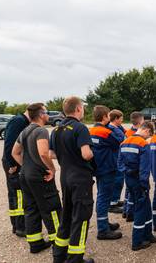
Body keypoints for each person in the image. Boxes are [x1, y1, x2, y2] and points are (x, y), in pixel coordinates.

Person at [11, 103, 61, 253]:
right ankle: (60, 245)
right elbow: (44, 153)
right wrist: (52, 169)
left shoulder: (25, 131)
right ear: (41, 115)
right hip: (40, 177)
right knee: (51, 209)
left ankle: (35, 243)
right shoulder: (41, 131)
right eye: (46, 112)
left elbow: (15, 152)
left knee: (31, 209)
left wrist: (26, 166)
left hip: (25, 176)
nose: (48, 115)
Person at [50, 96, 95, 263]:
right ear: (77, 109)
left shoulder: (56, 130)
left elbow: (51, 154)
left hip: (65, 178)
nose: (83, 110)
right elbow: (86, 154)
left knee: (67, 215)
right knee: (81, 217)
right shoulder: (80, 128)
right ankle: (75, 259)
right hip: (80, 179)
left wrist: (66, 156)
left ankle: (59, 256)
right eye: (82, 107)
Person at [118, 121, 156, 251]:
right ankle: (137, 241)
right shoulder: (143, 144)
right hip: (139, 181)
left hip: (129, 179)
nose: (148, 138)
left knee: (146, 207)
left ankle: (148, 234)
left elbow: (119, 164)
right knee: (141, 209)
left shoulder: (124, 142)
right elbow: (144, 168)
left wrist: (128, 172)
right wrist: (144, 184)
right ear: (147, 130)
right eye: (149, 136)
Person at [89, 105, 123, 240]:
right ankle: (103, 230)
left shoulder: (91, 130)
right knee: (104, 197)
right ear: (104, 117)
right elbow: (119, 142)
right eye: (108, 115)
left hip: (98, 168)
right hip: (108, 168)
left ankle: (104, 222)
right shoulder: (106, 132)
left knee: (102, 196)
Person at [2, 108, 31, 237]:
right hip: (12, 163)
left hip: (11, 162)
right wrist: (13, 164)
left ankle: (16, 225)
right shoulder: (19, 121)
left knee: (15, 194)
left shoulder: (20, 120)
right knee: (18, 195)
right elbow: (9, 144)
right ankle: (20, 227)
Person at [122, 111, 145, 221]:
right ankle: (130, 211)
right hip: (135, 169)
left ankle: (127, 211)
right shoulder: (138, 135)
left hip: (127, 168)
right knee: (132, 192)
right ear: (140, 121)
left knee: (128, 191)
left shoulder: (127, 132)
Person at [108, 109, 126, 213]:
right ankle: (112, 204)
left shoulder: (118, 127)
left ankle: (116, 199)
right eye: (121, 118)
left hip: (120, 158)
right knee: (117, 181)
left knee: (120, 180)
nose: (122, 120)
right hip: (115, 158)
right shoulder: (111, 129)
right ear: (116, 119)